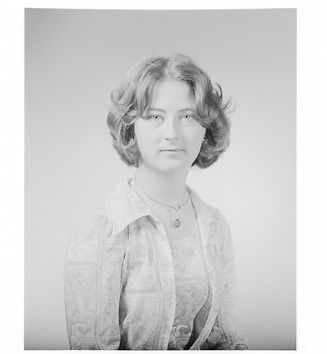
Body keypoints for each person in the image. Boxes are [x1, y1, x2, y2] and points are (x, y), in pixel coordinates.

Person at [64, 53, 248, 350]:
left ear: (206, 128)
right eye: (155, 117)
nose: (172, 133)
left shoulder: (214, 225)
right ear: (131, 128)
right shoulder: (101, 230)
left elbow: (225, 340)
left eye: (187, 116)